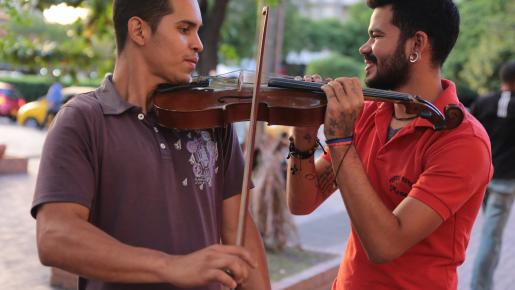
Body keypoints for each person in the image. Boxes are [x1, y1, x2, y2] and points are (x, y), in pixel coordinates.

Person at [31, 1, 270, 290]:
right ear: (139, 31)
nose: (198, 45)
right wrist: (170, 266)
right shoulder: (82, 121)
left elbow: (240, 232)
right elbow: (55, 236)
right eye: (184, 29)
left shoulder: (212, 120)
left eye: (197, 31)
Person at [286, 1, 492, 289]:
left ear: (416, 44)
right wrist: (303, 135)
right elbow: (302, 203)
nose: (364, 47)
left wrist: (341, 138)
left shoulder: (463, 141)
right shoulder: (369, 112)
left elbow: (385, 245)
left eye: (377, 36)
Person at [470, 60, 515, 290]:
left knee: (489, 234)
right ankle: (480, 287)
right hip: (504, 184)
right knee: (491, 239)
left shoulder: (485, 101)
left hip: (481, 179)